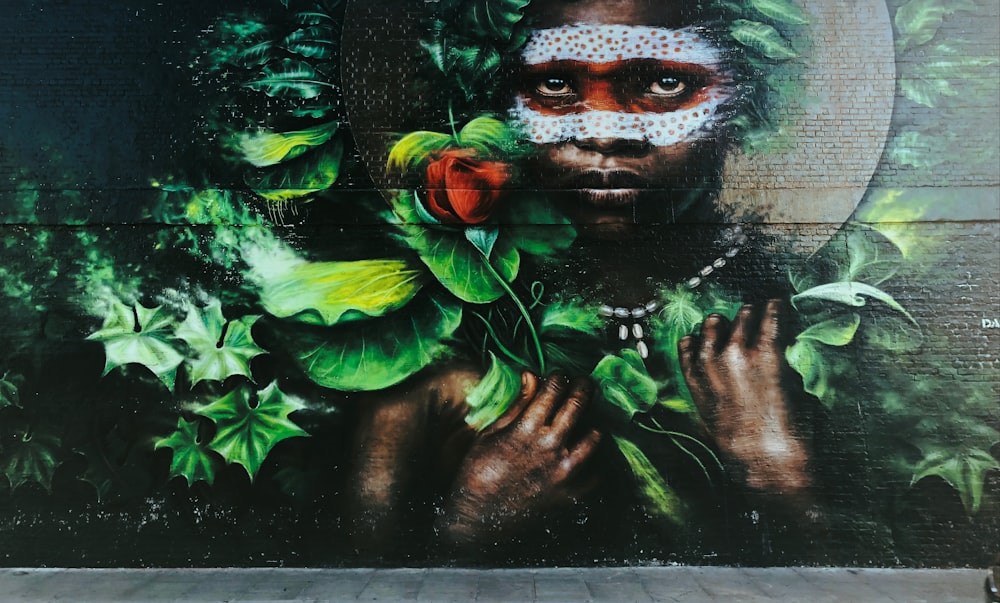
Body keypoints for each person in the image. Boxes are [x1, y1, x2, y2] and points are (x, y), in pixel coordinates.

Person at [345, 0, 817, 561]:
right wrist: (470, 524)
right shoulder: (432, 376)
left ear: (738, 102)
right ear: (491, 108)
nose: (604, 131)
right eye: (555, 86)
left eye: (666, 83)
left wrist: (774, 467)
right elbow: (355, 574)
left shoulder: (805, 333)